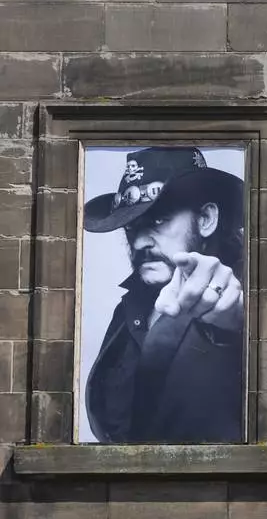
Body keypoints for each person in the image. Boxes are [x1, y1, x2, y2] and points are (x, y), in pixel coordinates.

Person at [82, 145, 245, 444]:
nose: (139, 242)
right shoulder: (129, 308)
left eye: (159, 220)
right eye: (132, 227)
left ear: (206, 219)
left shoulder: (251, 298)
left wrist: (230, 330)